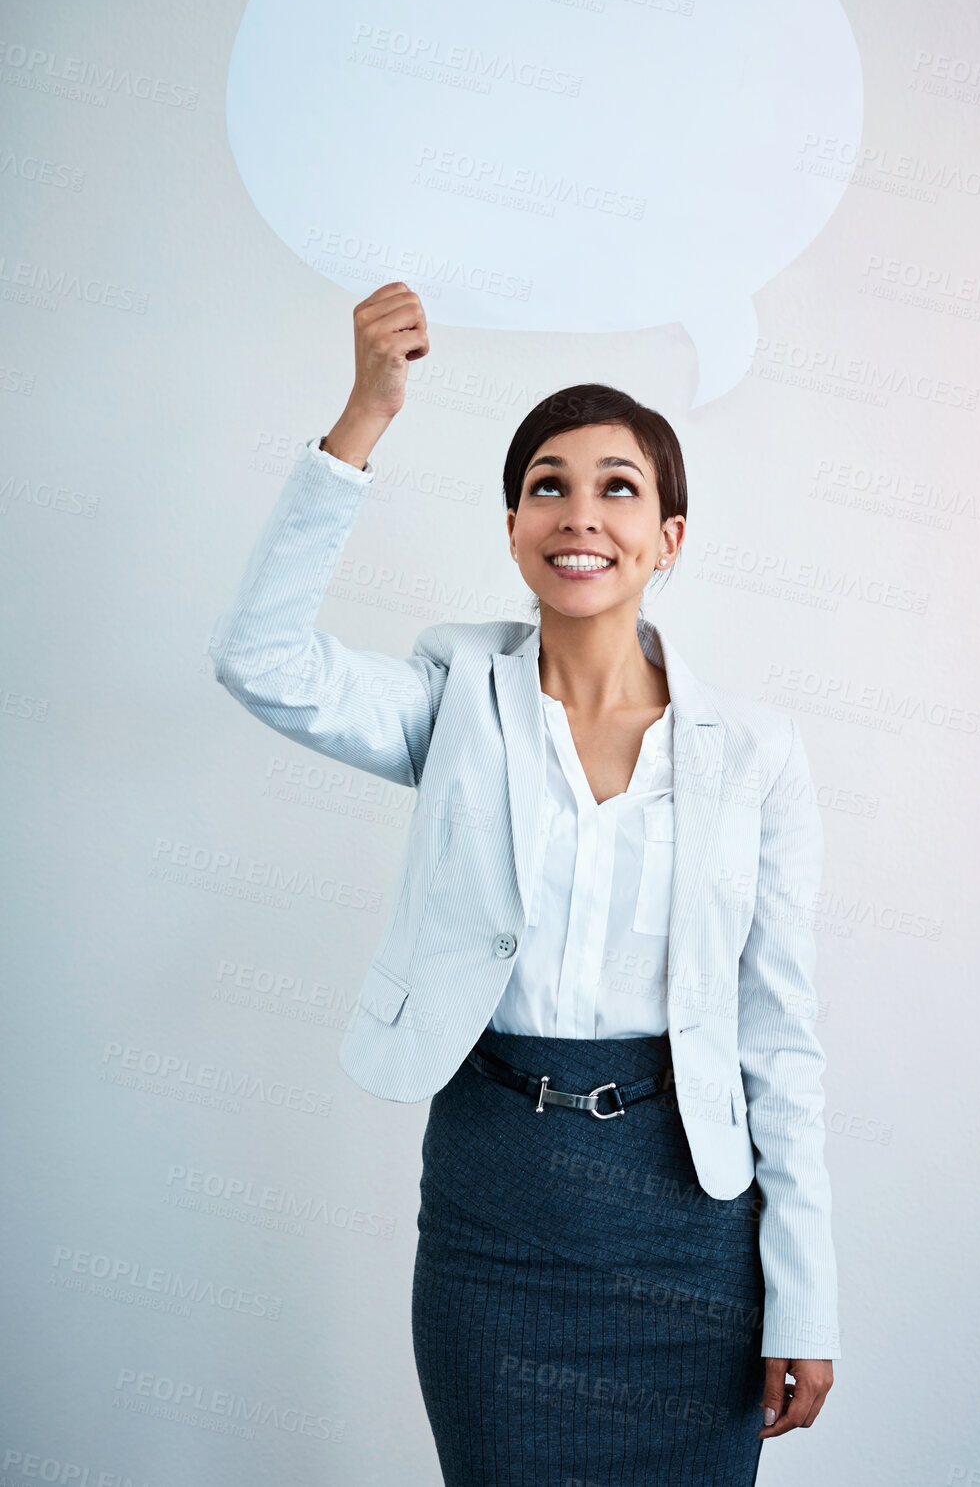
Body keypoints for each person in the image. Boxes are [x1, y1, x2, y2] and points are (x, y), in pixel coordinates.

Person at [209, 282, 840, 1484]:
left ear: (670, 537)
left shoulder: (753, 756)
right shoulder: (455, 700)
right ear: (510, 526)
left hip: (688, 1228)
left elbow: (780, 1039)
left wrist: (803, 1293)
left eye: (618, 486)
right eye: (547, 483)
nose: (579, 512)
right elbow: (262, 660)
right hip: (494, 1213)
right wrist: (364, 415)